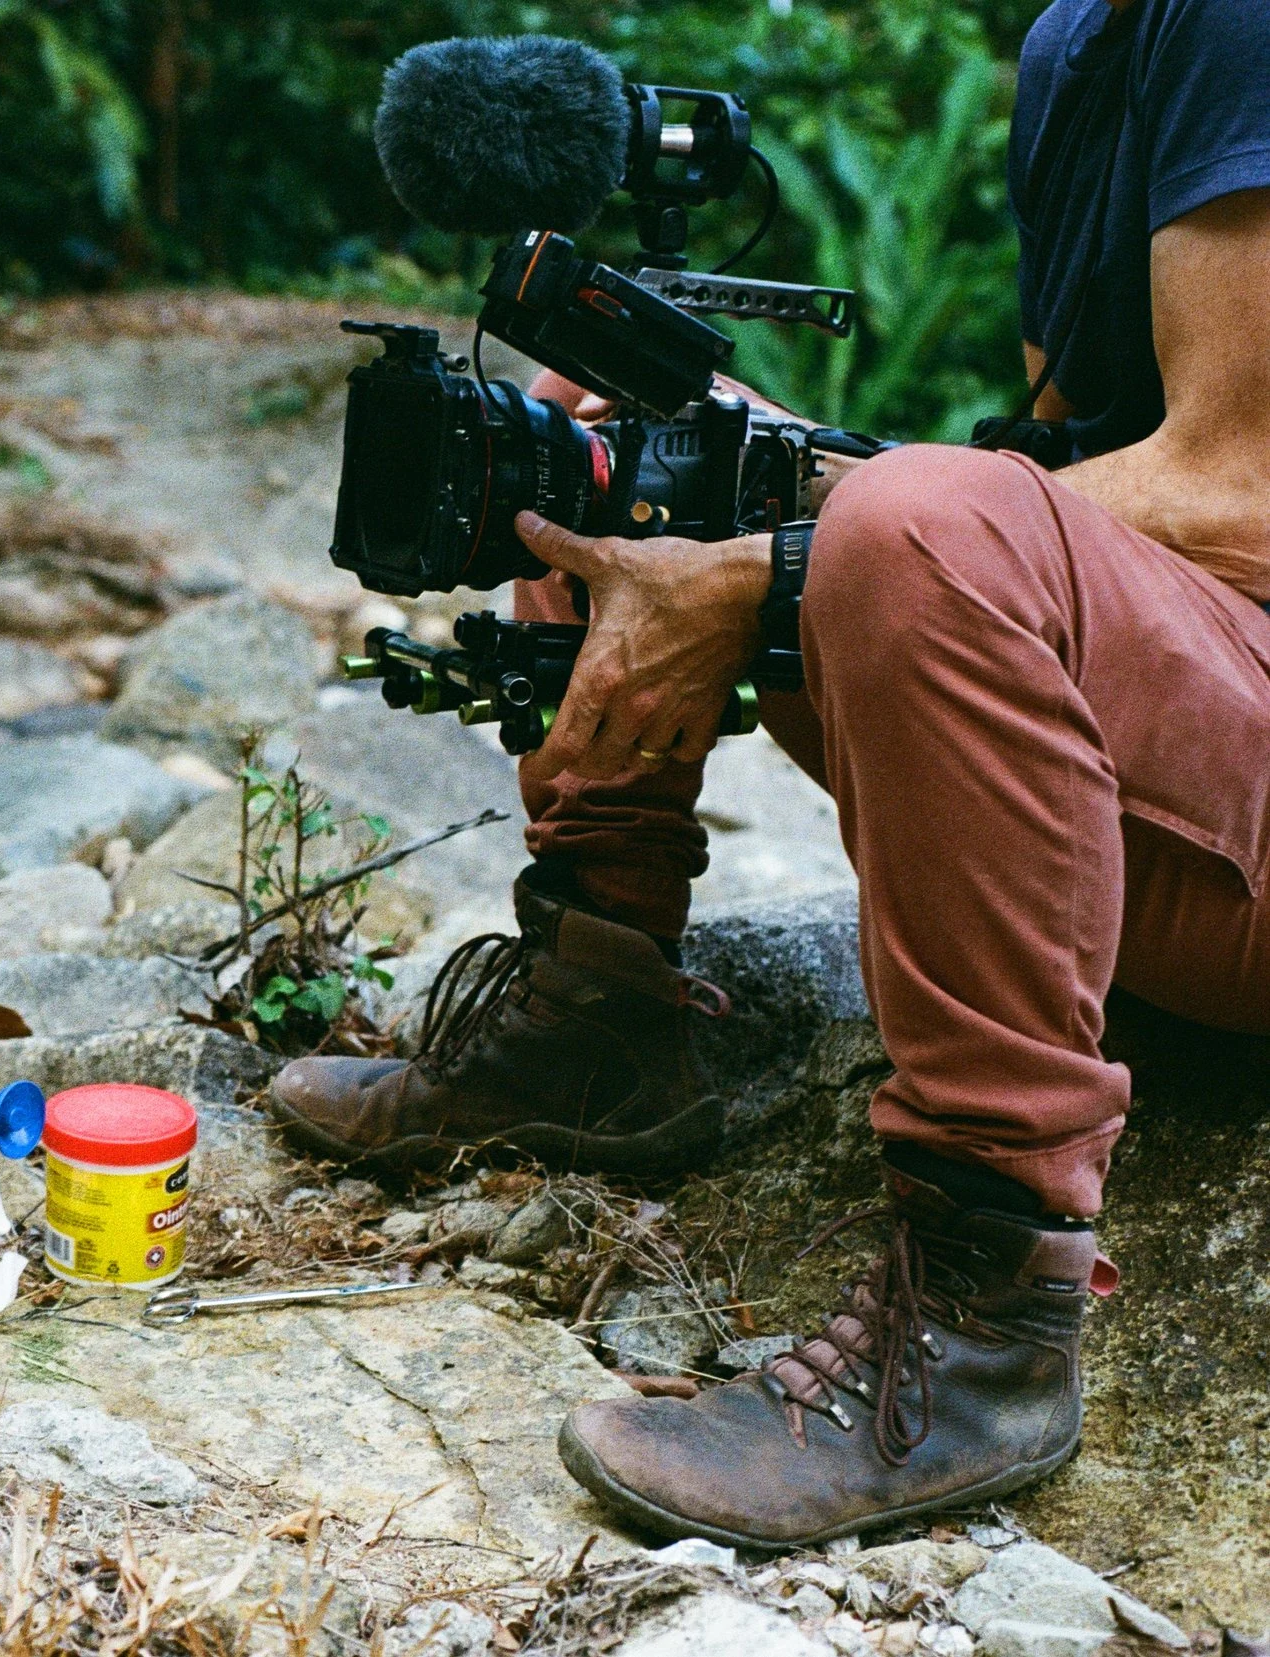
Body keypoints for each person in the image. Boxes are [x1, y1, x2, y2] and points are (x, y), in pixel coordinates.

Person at [270, 0, 1270, 1545]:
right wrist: (756, 500)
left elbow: (1241, 490)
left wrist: (784, 559)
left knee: (907, 526)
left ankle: (986, 1326)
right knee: (621, 431)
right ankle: (597, 1014)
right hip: (1167, 753)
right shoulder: (1087, 35)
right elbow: (1070, 479)